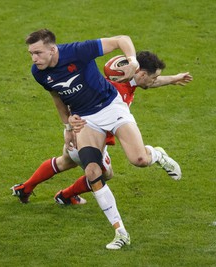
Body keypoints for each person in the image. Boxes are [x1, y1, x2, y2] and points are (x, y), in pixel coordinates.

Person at [13, 28, 183, 250]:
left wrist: (132, 60)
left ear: (52, 49)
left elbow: (122, 39)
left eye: (38, 53)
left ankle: (157, 154)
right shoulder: (39, 72)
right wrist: (67, 125)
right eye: (31, 54)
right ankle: (120, 232)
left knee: (139, 159)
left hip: (111, 107)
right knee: (93, 171)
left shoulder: (78, 51)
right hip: (86, 119)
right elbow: (57, 96)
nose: (34, 59)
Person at [54, 51, 192, 204]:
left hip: (102, 133)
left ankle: (53, 193)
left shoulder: (130, 80)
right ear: (141, 74)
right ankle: (63, 195)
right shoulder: (114, 89)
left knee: (101, 169)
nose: (154, 81)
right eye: (154, 77)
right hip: (90, 133)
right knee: (91, 170)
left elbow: (150, 82)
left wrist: (174, 79)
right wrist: (70, 126)